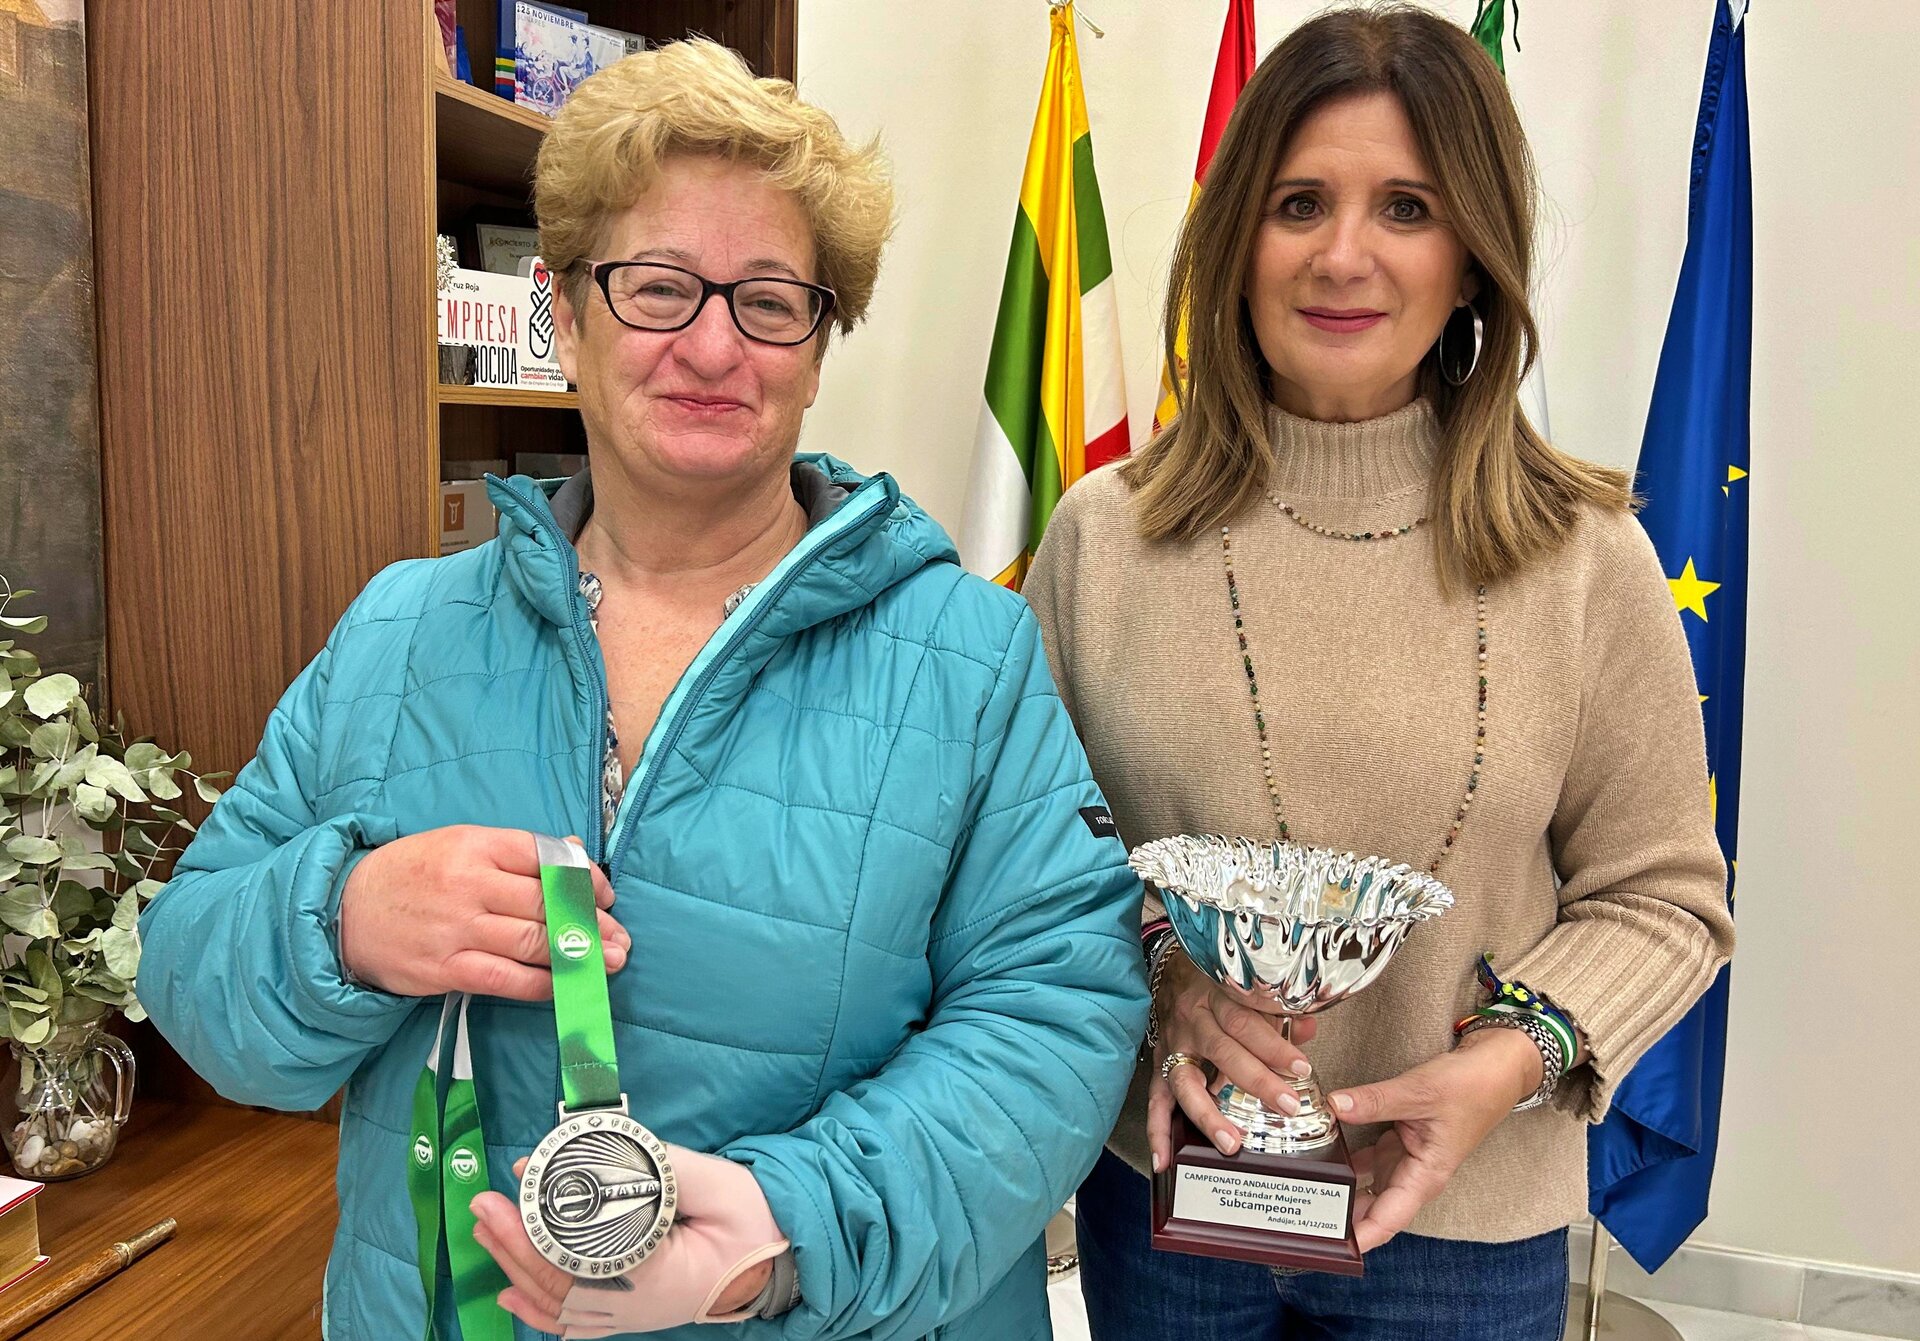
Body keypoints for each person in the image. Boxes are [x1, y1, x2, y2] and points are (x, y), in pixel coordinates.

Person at [139, 39, 1146, 1341]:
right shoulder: (398, 631)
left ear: (819, 340)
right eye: (660, 286)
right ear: (563, 311)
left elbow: (1062, 1012)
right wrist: (340, 915)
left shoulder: (968, 655)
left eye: (772, 299)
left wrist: (787, 1228)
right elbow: (189, 972)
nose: (714, 344)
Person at [1023, 8, 1734, 1338]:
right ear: (1237, 239)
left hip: (1464, 1228)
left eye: (1405, 207)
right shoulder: (1103, 538)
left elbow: (1668, 900)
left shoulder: (1585, 558)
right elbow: (1043, 861)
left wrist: (1507, 1064)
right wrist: (1174, 986)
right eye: (1299, 203)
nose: (1343, 254)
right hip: (1168, 1197)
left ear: (1472, 259)